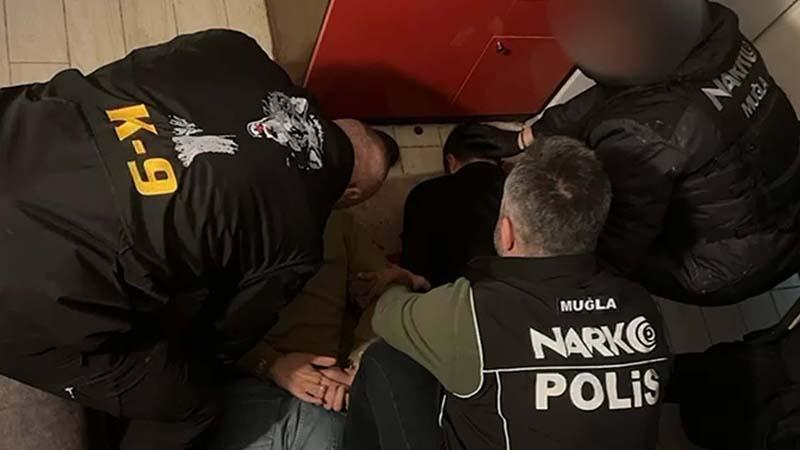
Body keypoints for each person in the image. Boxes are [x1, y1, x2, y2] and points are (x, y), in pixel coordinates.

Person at [0, 30, 397, 449]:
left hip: (18, 131)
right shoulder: (297, 245)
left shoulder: (235, 48)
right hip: (25, 288)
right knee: (191, 401)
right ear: (351, 195)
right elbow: (213, 342)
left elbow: (135, 65)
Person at [344, 137, 672, 450]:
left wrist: (402, 280)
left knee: (388, 359)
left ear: (506, 232)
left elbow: (386, 313)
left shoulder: (476, 311)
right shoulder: (642, 306)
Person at [503, 0, 800, 306]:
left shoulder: (646, 134)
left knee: (575, 233)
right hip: (784, 210)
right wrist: (532, 135)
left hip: (726, 268)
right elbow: (626, 92)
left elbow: (619, 245)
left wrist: (553, 282)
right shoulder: (710, 31)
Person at [208, 210, 427, 448]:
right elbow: (199, 327)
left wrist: (358, 368)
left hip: (330, 388)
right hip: (248, 381)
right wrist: (270, 364)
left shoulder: (337, 220)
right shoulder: (224, 218)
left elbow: (385, 292)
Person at [401, 124, 518, 287]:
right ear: (500, 160)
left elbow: (413, 268)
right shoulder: (521, 192)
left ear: (451, 161)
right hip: (519, 293)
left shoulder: (423, 194)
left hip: (445, 296)